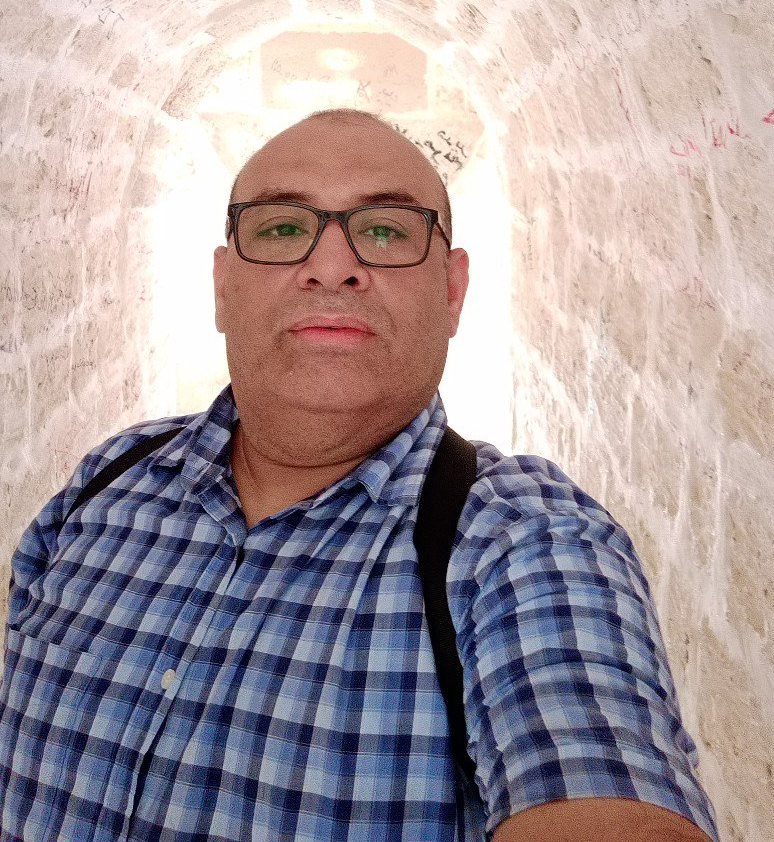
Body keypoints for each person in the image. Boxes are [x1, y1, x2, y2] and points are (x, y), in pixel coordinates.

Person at [0, 108, 719, 842]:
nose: (331, 265)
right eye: (282, 228)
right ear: (222, 287)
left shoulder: (526, 543)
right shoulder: (108, 482)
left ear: (452, 293)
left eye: (385, 232)